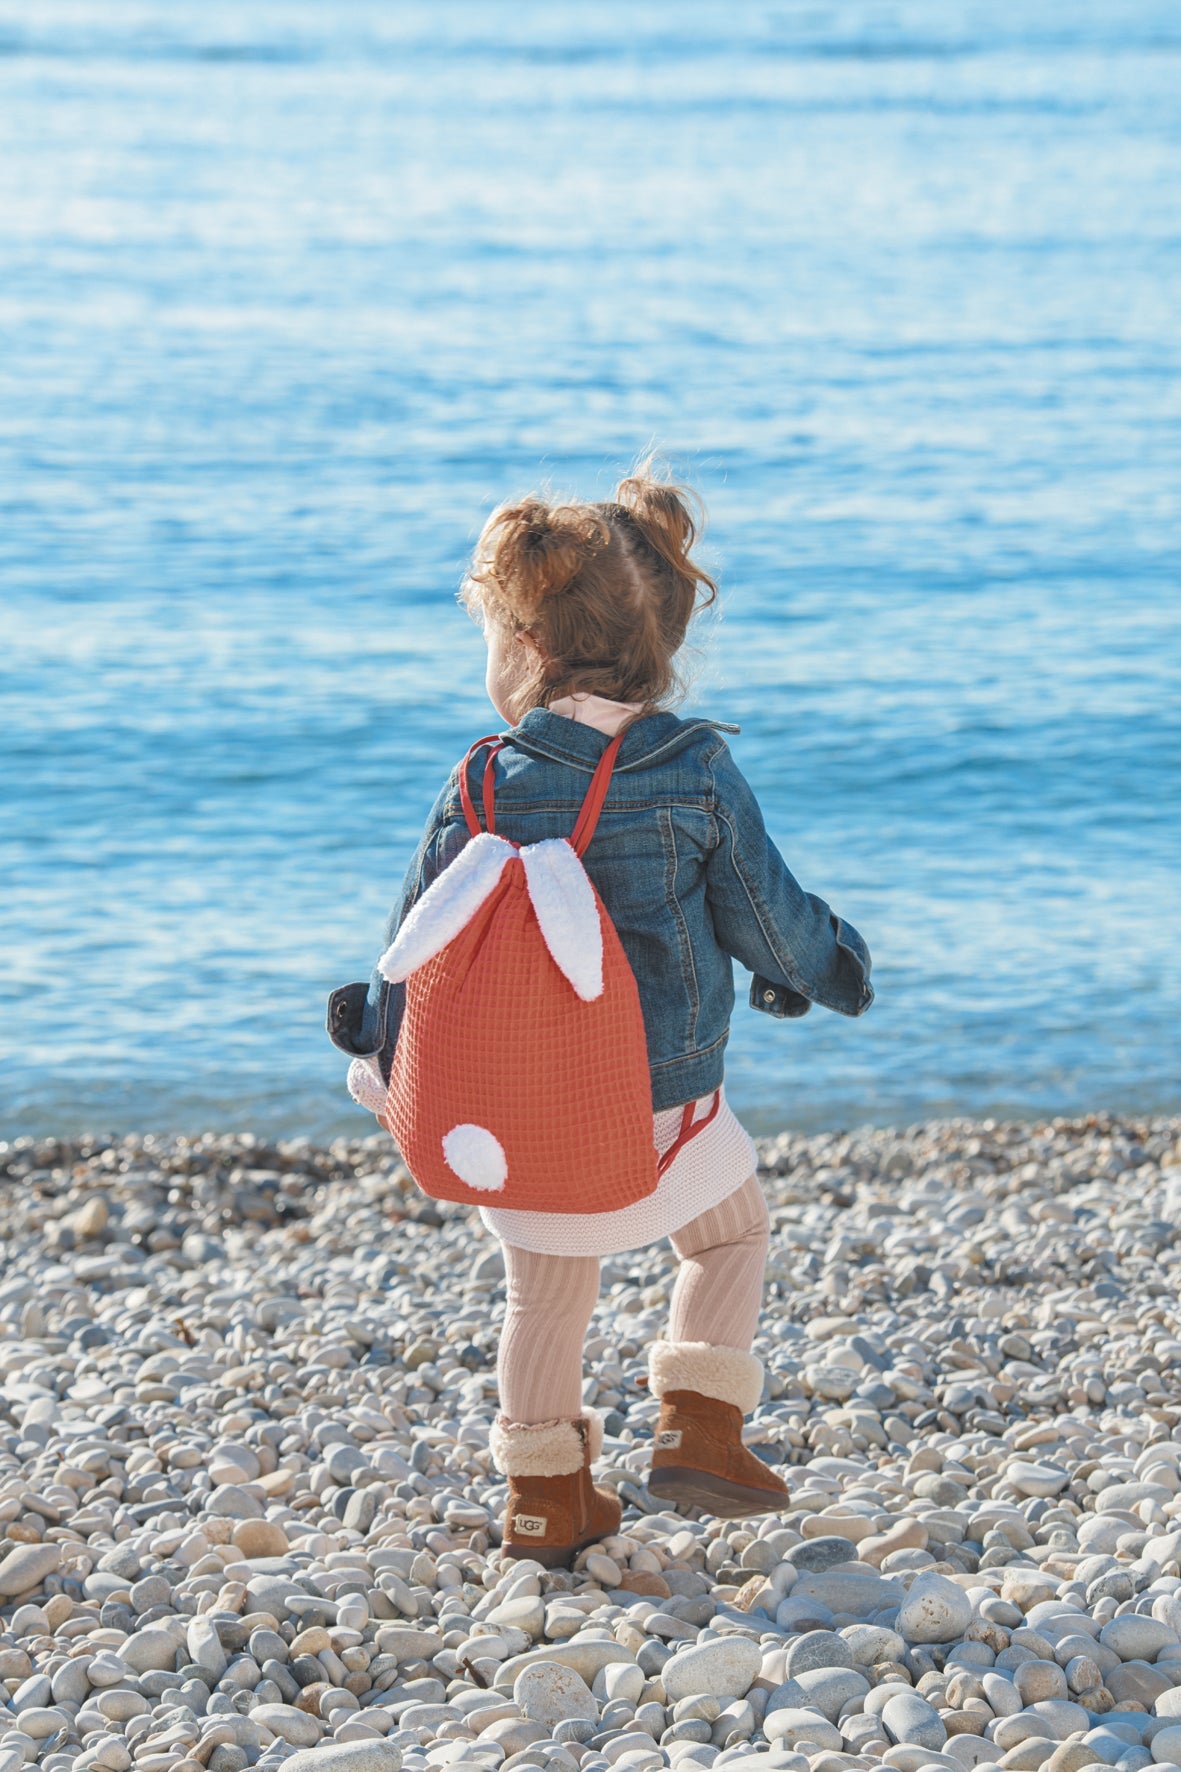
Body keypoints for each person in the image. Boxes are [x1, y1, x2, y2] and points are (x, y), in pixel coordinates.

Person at [333, 461, 873, 1567]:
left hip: (509, 1112)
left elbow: (416, 937)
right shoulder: (692, 769)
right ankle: (699, 1427)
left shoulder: (478, 777)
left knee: (541, 1297)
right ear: (663, 640)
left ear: (525, 649)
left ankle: (543, 1500)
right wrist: (831, 970)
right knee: (729, 1231)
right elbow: (765, 922)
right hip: (658, 1101)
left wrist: (381, 1045)